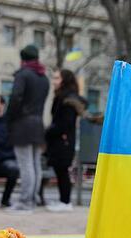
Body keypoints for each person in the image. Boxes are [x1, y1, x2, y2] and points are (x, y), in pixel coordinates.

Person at [6, 44, 50, 212]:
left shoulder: (23, 75)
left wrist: (9, 118)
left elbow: (16, 98)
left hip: (22, 124)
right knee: (35, 164)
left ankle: (25, 201)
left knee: (25, 164)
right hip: (38, 123)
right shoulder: (43, 78)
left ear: (22, 59)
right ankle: (33, 198)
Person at [45, 69, 86, 212]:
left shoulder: (67, 100)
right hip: (63, 140)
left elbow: (65, 123)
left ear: (64, 80)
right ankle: (64, 200)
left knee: (62, 170)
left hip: (63, 140)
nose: (54, 81)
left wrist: (49, 131)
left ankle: (65, 201)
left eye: (57, 78)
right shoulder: (65, 98)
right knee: (60, 170)